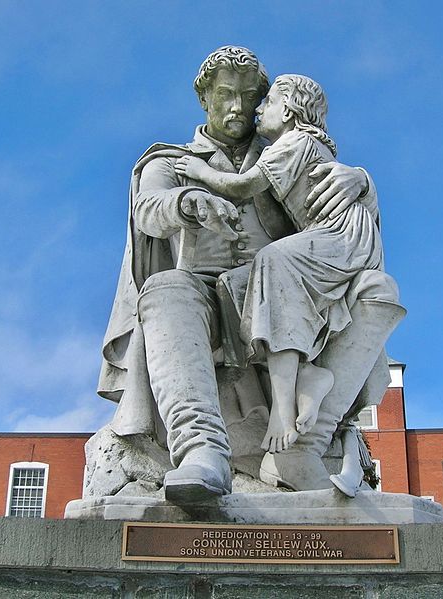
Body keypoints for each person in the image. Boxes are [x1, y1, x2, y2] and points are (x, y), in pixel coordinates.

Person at [96, 46, 402, 502]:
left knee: (379, 289)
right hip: (208, 303)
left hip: (292, 301)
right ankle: (202, 452)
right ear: (205, 99)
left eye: (247, 97)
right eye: (225, 95)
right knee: (165, 290)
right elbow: (149, 209)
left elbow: (344, 219)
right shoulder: (172, 160)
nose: (237, 107)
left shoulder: (286, 151)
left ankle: (304, 447)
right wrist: (186, 202)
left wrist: (362, 181)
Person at [174, 74, 381, 456]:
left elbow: (242, 186)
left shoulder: (294, 142)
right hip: (331, 237)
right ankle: (307, 377)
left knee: (273, 259)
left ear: (287, 109)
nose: (254, 109)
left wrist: (199, 173)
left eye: (264, 101)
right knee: (242, 284)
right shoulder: (301, 144)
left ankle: (282, 410)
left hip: (342, 236)